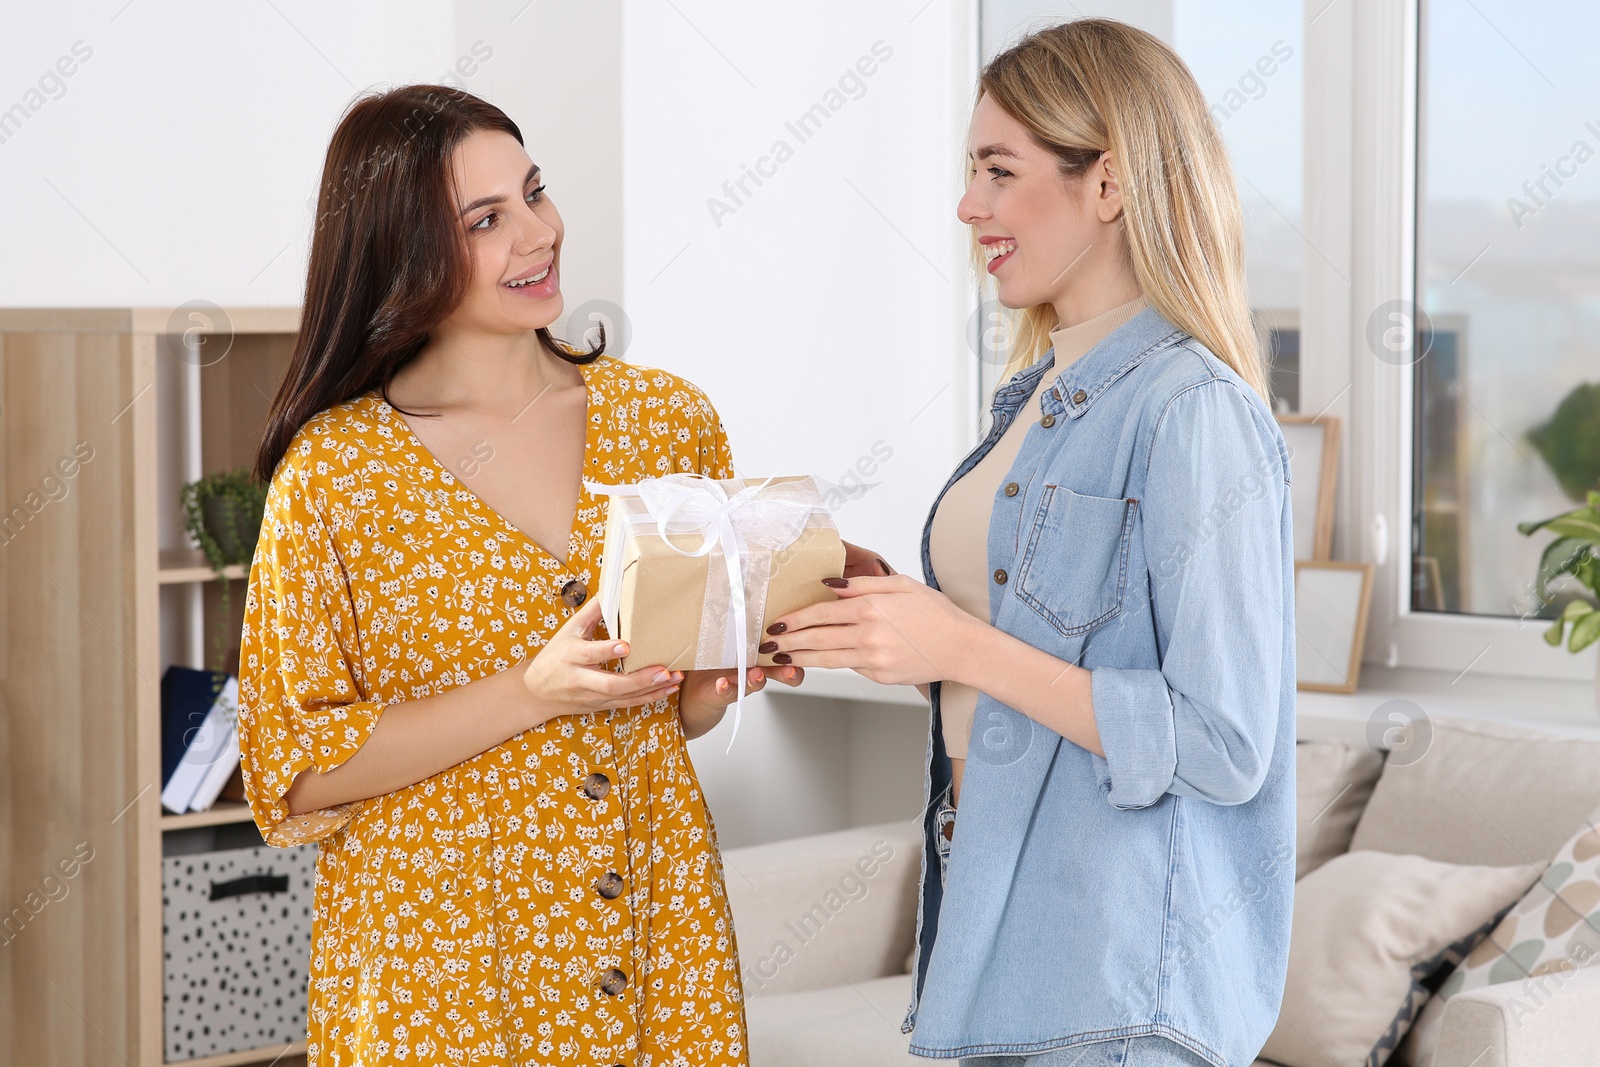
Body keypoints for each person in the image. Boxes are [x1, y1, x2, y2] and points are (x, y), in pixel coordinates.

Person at [764, 20, 1296, 1067]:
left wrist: (959, 646)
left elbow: (1225, 740)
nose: (969, 205)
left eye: (999, 171)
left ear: (1108, 183)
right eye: (971, 171)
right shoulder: (1036, 396)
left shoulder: (1190, 408)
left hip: (1124, 981)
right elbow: (1043, 645)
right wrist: (896, 614)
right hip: (1009, 946)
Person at [237, 84, 797, 1066]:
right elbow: (297, 764)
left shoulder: (667, 421)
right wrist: (529, 692)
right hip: (440, 967)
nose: (538, 233)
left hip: (653, 930)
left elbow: (673, 713)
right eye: (486, 220)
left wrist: (727, 668)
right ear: (402, 250)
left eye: (534, 194)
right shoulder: (334, 473)